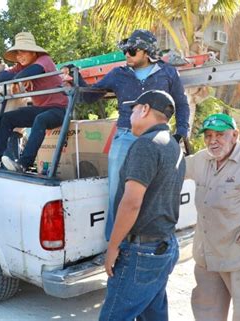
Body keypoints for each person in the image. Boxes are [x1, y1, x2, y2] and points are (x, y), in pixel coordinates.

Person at [67, 29, 190, 241]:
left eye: (132, 51)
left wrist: (180, 133)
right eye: (126, 50)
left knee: (157, 189)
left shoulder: (168, 73)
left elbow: (181, 104)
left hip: (157, 139)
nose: (127, 55)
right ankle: (114, 244)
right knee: (117, 190)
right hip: (125, 136)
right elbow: (89, 97)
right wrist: (76, 80)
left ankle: (150, 240)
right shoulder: (118, 74)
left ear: (146, 52)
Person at [100, 90, 184, 321]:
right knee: (153, 314)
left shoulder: (146, 145)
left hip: (141, 252)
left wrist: (113, 246)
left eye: (134, 109)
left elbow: (131, 202)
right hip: (163, 246)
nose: (131, 115)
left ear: (145, 109)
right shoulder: (173, 145)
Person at [185, 113, 240, 321]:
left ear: (235, 135)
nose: (213, 141)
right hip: (207, 256)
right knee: (206, 313)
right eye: (208, 136)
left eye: (220, 134)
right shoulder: (201, 159)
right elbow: (173, 170)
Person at [0, 31, 68, 172]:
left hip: (59, 110)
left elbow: (31, 71)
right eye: (17, 53)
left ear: (33, 52)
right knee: (7, 118)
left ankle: (23, 163)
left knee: (41, 120)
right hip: (41, 109)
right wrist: (20, 78)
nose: (19, 56)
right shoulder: (21, 66)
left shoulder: (44, 59)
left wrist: (20, 78)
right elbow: (0, 77)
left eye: (22, 52)